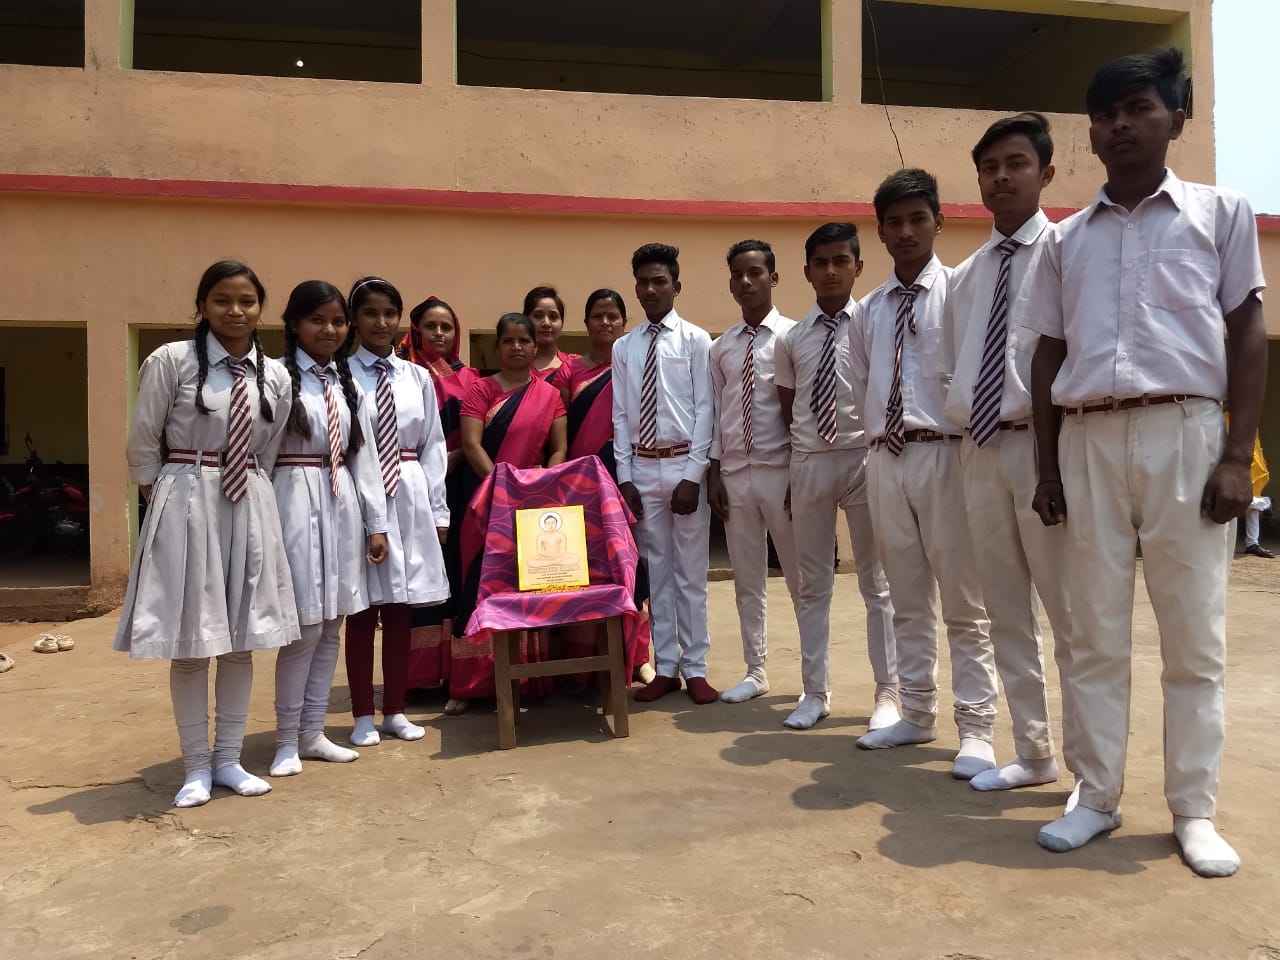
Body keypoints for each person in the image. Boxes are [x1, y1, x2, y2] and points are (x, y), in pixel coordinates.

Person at [1022, 48, 1266, 878]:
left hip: (1185, 435)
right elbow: (1047, 357)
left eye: (1139, 109)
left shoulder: (1220, 214)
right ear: (1091, 133)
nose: (1121, 125)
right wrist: (1046, 468)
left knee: (1193, 639)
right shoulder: (1064, 241)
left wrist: (1236, 455)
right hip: (1087, 440)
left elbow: (1247, 333)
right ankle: (1095, 797)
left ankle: (1193, 810)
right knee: (1092, 634)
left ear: (1176, 120)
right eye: (1106, 114)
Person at [115, 260, 296, 808]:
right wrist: (170, 501)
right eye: (222, 300)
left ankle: (229, 760)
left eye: (247, 301)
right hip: (187, 499)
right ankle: (195, 766)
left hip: (250, 502)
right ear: (201, 306)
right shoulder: (172, 361)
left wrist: (247, 491)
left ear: (260, 309)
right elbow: (143, 441)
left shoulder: (275, 375)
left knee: (241, 640)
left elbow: (269, 448)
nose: (235, 311)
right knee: (193, 641)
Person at [938, 112, 1078, 794]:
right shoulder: (966, 276)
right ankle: (1033, 752)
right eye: (989, 167)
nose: (1001, 177)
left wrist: (1057, 460)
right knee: (1005, 610)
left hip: (1044, 450)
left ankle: (1091, 772)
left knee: (1070, 614)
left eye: (1015, 163)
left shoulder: (1068, 252)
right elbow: (954, 365)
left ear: (1045, 173)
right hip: (980, 450)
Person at [850, 170, 1000, 780]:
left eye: (918, 218)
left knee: (965, 600)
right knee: (906, 597)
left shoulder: (961, 291)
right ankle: (915, 712)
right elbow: (865, 379)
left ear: (939, 220)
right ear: (881, 232)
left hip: (945, 452)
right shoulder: (869, 310)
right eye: (894, 222)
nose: (907, 231)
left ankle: (978, 728)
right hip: (886, 457)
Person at [774, 224, 898, 729]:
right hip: (811, 461)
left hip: (863, 457)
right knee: (812, 585)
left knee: (877, 584)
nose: (830, 271)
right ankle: (814, 693)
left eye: (840, 261)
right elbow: (789, 406)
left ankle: (888, 694)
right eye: (820, 263)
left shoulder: (872, 324)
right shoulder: (791, 339)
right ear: (806, 272)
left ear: (858, 267)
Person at [270, 282, 389, 777]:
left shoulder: (346, 384)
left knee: (332, 623)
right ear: (294, 324)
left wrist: (376, 524)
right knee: (304, 624)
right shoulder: (275, 377)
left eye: (338, 321)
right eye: (317, 320)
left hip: (341, 501)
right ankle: (285, 741)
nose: (329, 330)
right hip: (293, 498)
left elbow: (365, 458)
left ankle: (313, 732)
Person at [345, 277, 451, 747]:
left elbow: (433, 444)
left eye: (389, 313)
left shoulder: (417, 377)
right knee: (363, 607)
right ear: (355, 319)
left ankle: (396, 710)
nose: (380, 322)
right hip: (361, 491)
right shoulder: (343, 375)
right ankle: (361, 714)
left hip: (408, 491)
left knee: (400, 606)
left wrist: (438, 511)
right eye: (370, 313)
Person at [613, 243, 718, 705]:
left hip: (682, 464)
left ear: (676, 286)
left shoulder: (696, 340)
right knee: (657, 573)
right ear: (636, 288)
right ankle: (667, 666)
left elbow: (705, 409)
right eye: (643, 282)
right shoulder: (625, 346)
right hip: (641, 467)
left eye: (660, 281)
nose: (651, 289)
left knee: (691, 573)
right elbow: (621, 414)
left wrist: (694, 475)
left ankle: (696, 667)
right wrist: (625, 477)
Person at [449, 312, 568, 711]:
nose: (517, 347)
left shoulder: (550, 395)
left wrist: (540, 483)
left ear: (535, 347)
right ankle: (469, 686)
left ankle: (527, 680)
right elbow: (471, 444)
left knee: (526, 586)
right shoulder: (481, 389)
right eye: (509, 340)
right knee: (477, 582)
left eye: (524, 340)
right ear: (497, 346)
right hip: (483, 500)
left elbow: (559, 449)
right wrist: (501, 486)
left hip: (533, 502)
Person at [706, 239, 803, 706]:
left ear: (773, 278)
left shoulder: (793, 336)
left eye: (755, 273)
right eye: (737, 275)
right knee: (747, 580)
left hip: (781, 471)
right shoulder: (720, 347)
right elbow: (715, 412)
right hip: (735, 474)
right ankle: (756, 670)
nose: (746, 282)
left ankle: (814, 677)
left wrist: (800, 473)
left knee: (802, 579)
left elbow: (801, 411)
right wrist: (713, 473)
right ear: (730, 284)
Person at [558, 289, 655, 684]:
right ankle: (586, 661)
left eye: (613, 316)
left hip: (627, 476)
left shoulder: (634, 363)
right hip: (581, 483)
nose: (605, 322)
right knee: (587, 571)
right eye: (598, 316)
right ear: (586, 323)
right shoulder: (569, 372)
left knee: (632, 564)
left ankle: (638, 655)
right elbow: (559, 429)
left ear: (624, 322)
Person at [398, 296, 477, 688]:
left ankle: (456, 671)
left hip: (460, 487)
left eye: (447, 327)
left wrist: (457, 457)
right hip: (413, 486)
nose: (440, 334)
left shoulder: (471, 378)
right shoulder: (403, 374)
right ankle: (421, 676)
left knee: (456, 571)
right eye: (431, 326)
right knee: (419, 574)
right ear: (416, 331)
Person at [524, 285, 577, 385]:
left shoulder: (575, 365)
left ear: (562, 323)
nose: (546, 323)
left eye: (553, 317)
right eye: (538, 316)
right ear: (526, 321)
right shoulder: (517, 365)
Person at [1239, 428, 1273, 558]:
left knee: (1243, 499)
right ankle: (1252, 543)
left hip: (1245, 462)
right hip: (1246, 461)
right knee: (1252, 504)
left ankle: (1265, 503)